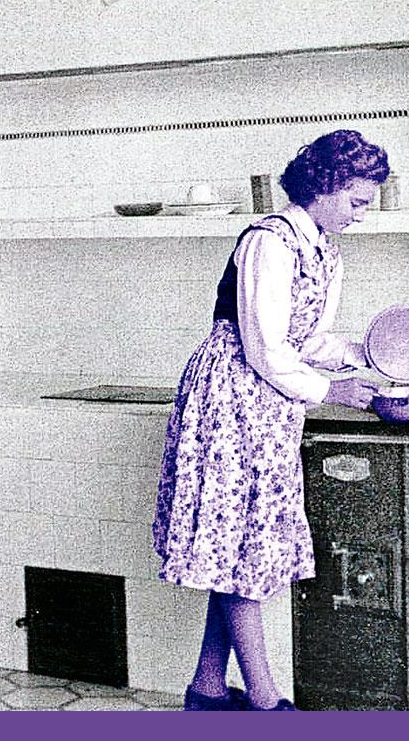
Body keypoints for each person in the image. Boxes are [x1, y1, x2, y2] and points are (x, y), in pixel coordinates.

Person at [152, 130, 387, 711]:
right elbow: (263, 348)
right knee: (242, 548)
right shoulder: (270, 242)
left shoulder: (324, 248)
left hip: (271, 404)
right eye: (357, 201)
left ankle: (207, 690)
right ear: (325, 188)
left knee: (239, 544)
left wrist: (372, 353)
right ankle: (264, 701)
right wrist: (333, 391)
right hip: (232, 397)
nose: (362, 214)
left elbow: (305, 338)